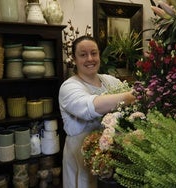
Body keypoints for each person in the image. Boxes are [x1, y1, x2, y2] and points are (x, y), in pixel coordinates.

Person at [58, 35, 135, 188]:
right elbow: (91, 107)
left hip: (110, 157)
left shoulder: (109, 81)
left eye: (94, 53)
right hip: (81, 156)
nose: (90, 58)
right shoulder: (69, 87)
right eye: (83, 54)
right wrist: (128, 96)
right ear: (74, 58)